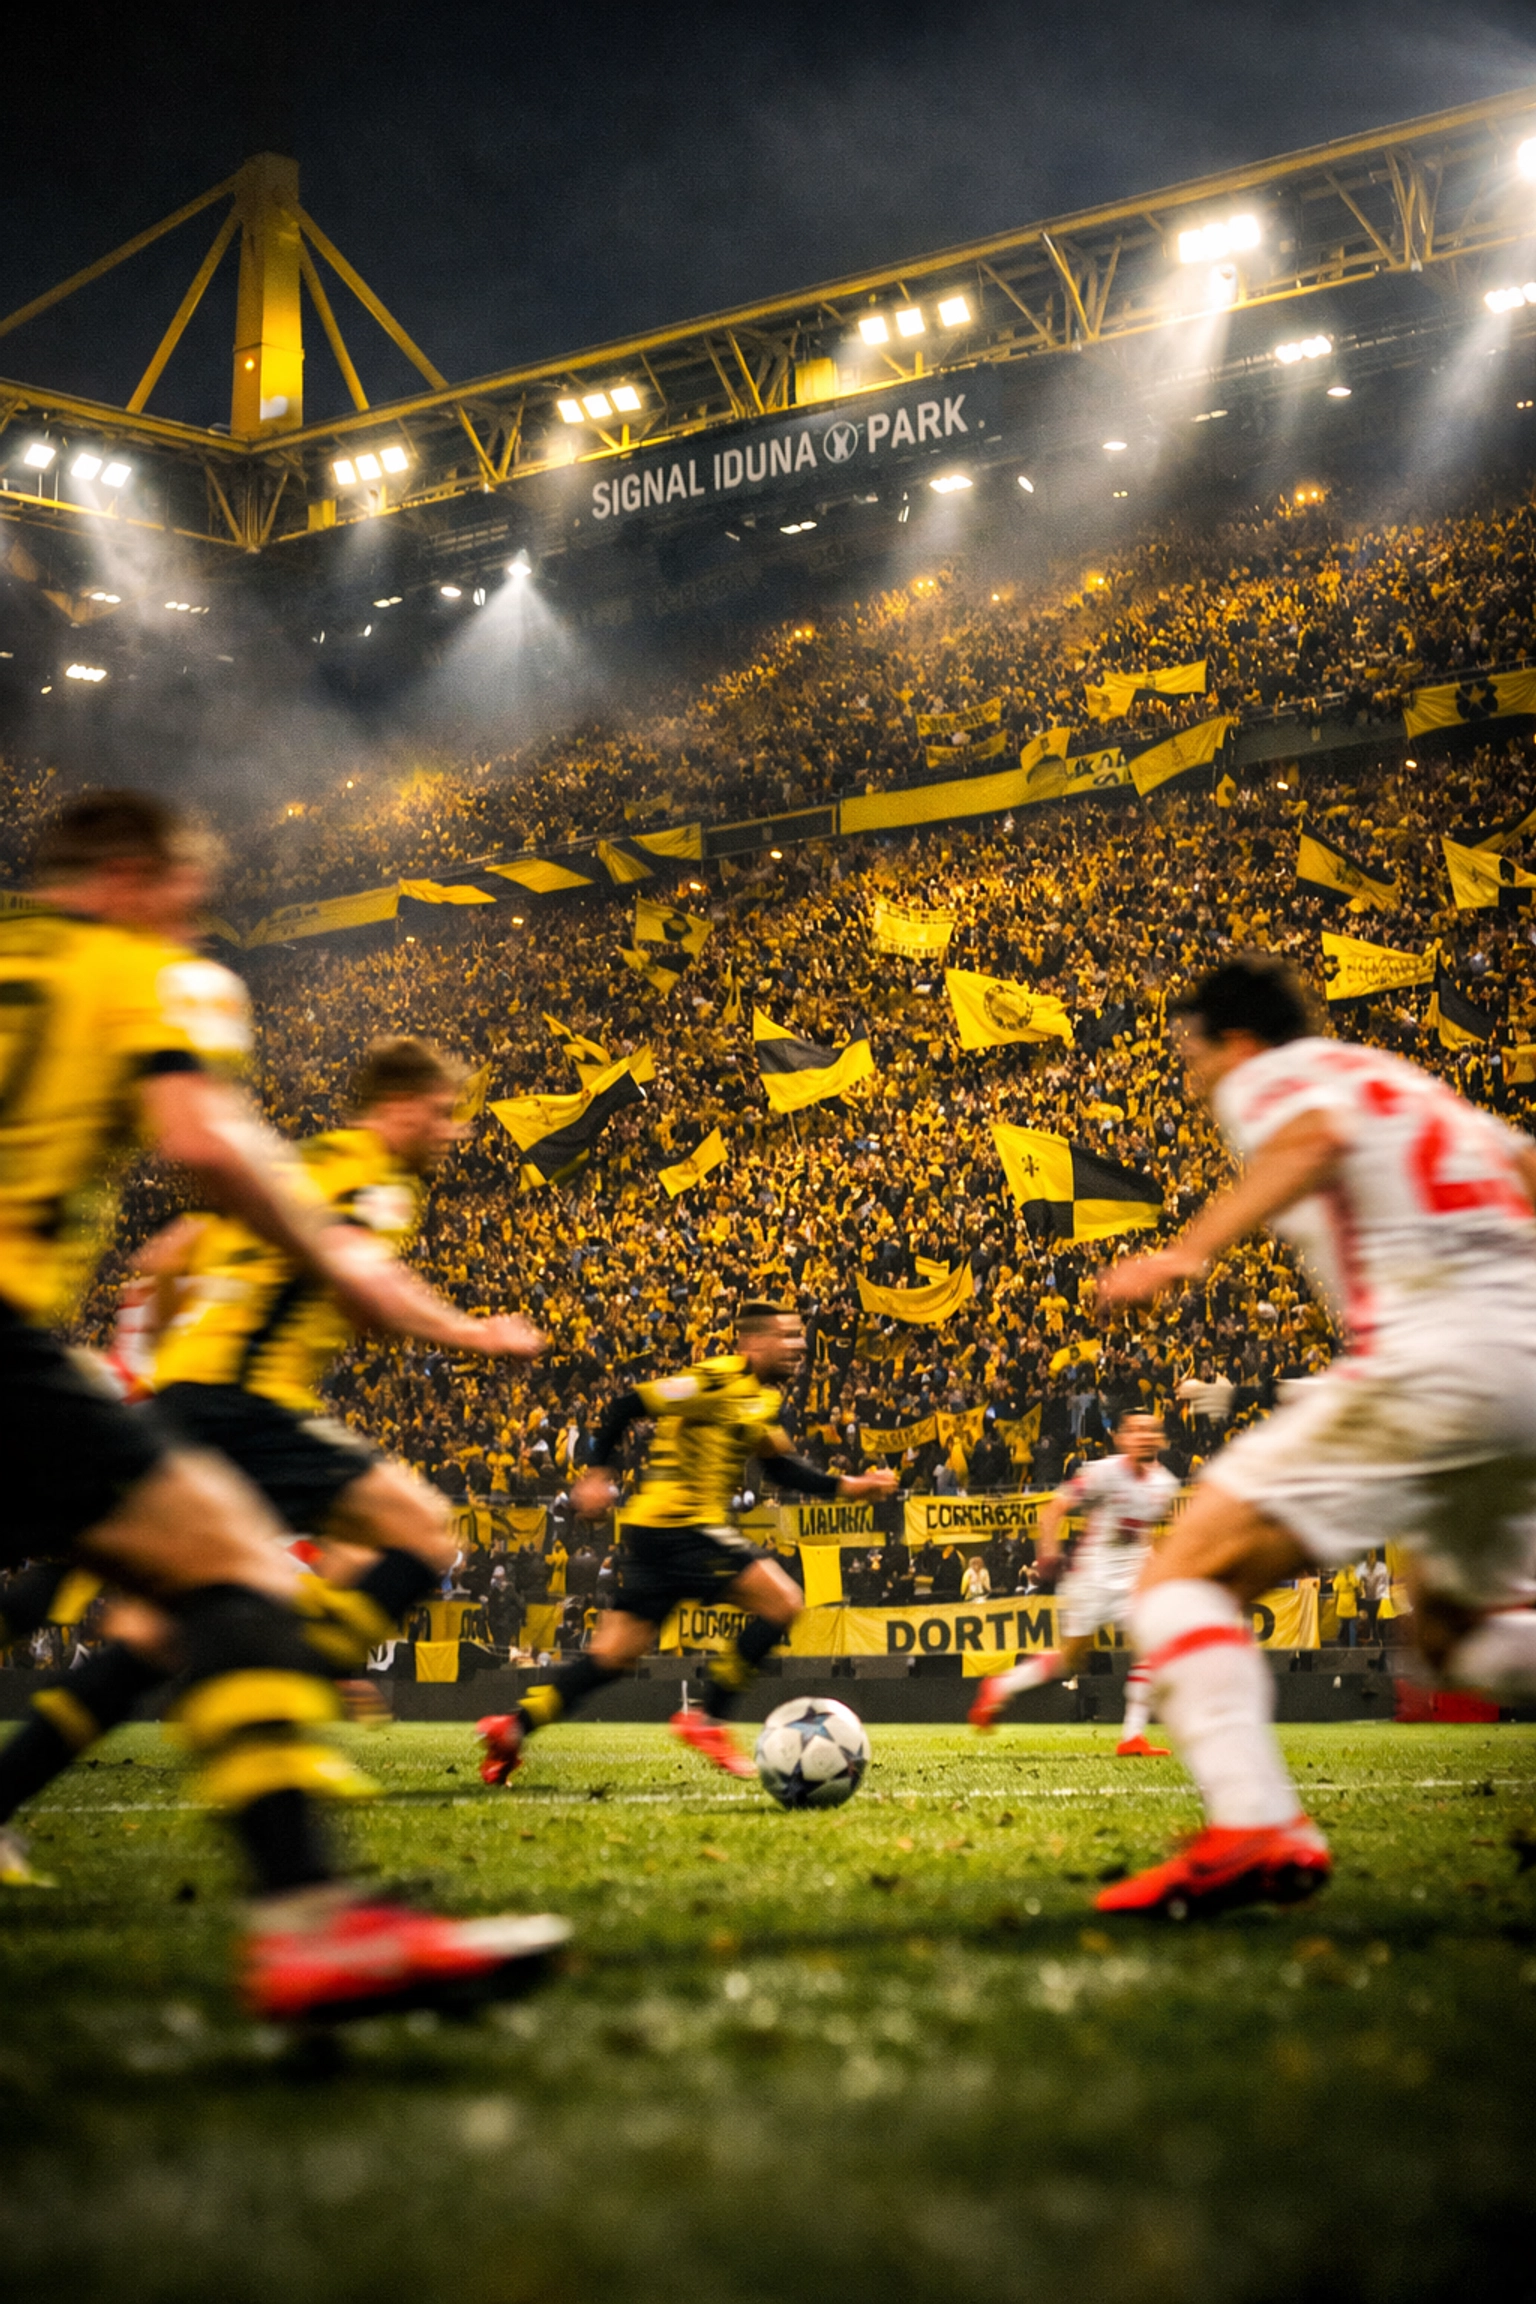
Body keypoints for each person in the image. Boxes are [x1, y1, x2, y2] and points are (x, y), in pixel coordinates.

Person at [0, 792, 567, 2013]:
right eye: (184, 899)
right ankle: (308, 1900)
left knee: (164, 1621)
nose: (192, 926)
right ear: (132, 876)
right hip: (227, 1398)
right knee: (360, 1550)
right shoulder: (154, 984)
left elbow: (178, 1245)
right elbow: (206, 1145)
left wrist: (160, 1293)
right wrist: (468, 1330)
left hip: (169, 1383)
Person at [0, 1038, 549, 1864]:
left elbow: (165, 1255)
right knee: (424, 1531)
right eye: (443, 1115)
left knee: (151, 1634)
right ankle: (288, 1698)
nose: (452, 1133)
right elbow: (367, 1278)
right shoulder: (376, 1177)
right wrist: (478, 1333)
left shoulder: (296, 1164)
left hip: (192, 1394)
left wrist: (164, 1349)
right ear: (400, 1107)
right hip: (249, 1403)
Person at [1094, 954, 1536, 1917]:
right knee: (1454, 1635)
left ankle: (1256, 1823)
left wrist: (1184, 1254)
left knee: (1181, 1582)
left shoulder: (1276, 1076)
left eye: (1190, 1054)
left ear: (1236, 1040)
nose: (1191, 1077)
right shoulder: (1407, 1083)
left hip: (1432, 1368)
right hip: (1525, 1372)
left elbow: (1315, 1139)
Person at [477, 1302, 897, 1780]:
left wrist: (849, 1486)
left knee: (610, 1658)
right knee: (783, 1601)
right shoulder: (715, 1380)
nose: (798, 1346)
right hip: (682, 1526)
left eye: (798, 1336)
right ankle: (708, 1718)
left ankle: (512, 1729)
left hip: (656, 1535)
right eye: (785, 1336)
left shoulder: (760, 1400)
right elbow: (628, 1404)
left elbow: (780, 1467)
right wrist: (597, 1473)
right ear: (752, 1342)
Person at [969, 1413, 1177, 1756]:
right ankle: (1000, 1686)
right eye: (1135, 1431)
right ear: (1121, 1439)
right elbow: (1055, 1509)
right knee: (1070, 1660)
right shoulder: (1104, 1473)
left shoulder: (1165, 1485)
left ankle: (1133, 1736)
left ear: (1160, 1439)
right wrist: (1048, 1556)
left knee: (1154, 1643)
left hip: (1132, 1579)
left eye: (1150, 1430)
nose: (1143, 1436)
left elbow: (1147, 1532)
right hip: (1091, 1578)